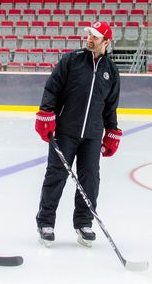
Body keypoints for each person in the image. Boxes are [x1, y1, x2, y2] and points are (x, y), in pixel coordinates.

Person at [34, 21, 122, 248]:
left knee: (90, 179)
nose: (90, 39)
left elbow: (110, 106)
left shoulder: (111, 71)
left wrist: (111, 130)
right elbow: (52, 88)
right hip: (66, 131)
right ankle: (46, 222)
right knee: (56, 175)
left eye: (95, 36)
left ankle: (84, 223)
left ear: (106, 42)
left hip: (92, 135)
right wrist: (46, 113)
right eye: (89, 34)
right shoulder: (71, 60)